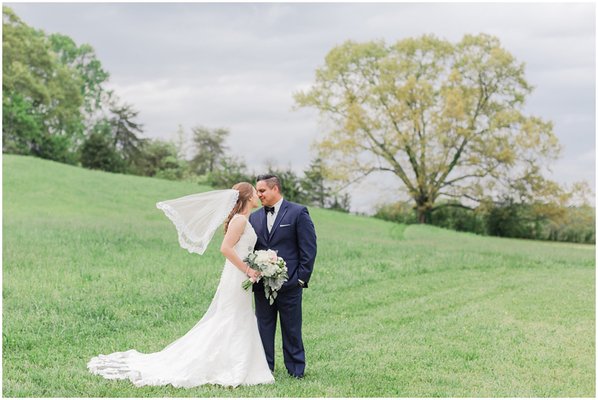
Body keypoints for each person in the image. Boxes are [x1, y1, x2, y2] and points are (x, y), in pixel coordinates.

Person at [87, 182, 275, 388]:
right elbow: (225, 248)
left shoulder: (244, 219)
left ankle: (239, 364)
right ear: (248, 197)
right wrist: (248, 269)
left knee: (238, 316)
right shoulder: (239, 220)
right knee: (231, 317)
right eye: (255, 193)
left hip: (241, 277)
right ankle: (228, 365)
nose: (258, 195)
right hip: (237, 276)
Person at [249, 174, 317, 379]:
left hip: (290, 284)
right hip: (262, 285)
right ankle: (265, 369)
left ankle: (296, 370)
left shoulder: (298, 212)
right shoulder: (254, 217)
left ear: (275, 189)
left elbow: (309, 248)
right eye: (257, 191)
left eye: (262, 190)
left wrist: (300, 279)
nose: (258, 194)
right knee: (264, 328)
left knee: (292, 329)